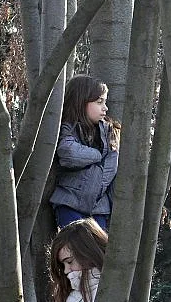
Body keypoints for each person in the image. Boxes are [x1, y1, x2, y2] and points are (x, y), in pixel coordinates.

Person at [50, 75, 120, 231]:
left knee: (96, 252)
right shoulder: (69, 127)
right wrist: (97, 155)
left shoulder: (109, 132)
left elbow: (111, 167)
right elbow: (68, 152)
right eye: (99, 102)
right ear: (81, 102)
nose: (105, 108)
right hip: (70, 203)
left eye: (105, 102)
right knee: (75, 250)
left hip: (99, 209)